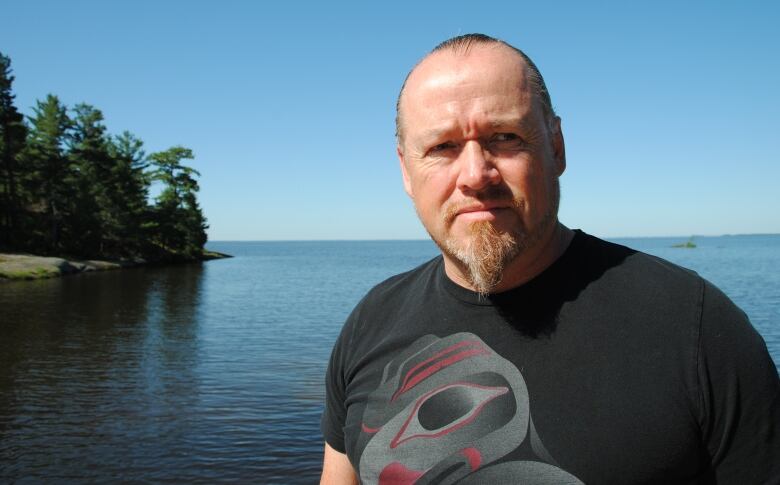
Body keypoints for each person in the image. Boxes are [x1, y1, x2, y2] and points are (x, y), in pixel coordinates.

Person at [320, 33, 780, 484]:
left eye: (504, 137)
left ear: (556, 147)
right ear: (405, 169)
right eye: (442, 147)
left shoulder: (695, 328)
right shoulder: (371, 322)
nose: (476, 175)